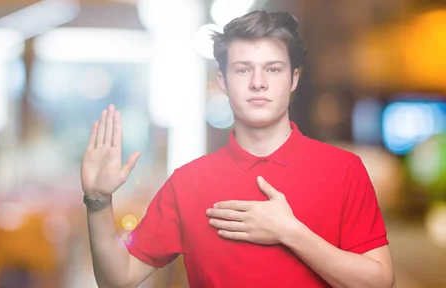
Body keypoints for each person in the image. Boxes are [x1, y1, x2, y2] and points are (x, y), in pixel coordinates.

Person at [80, 10, 395, 288]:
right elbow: (118, 279)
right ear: (223, 81)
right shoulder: (188, 183)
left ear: (294, 79)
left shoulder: (343, 170)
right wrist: (98, 201)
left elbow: (380, 282)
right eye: (243, 69)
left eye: (273, 69)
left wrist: (290, 232)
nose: (258, 82)